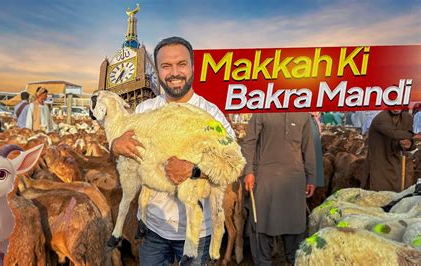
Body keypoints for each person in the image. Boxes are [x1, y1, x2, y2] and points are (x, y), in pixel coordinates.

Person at [111, 36, 235, 265]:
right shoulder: (145, 109)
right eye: (166, 66)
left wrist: (193, 170)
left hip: (195, 234)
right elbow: (124, 154)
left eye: (181, 64)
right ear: (157, 71)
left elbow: (230, 165)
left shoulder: (212, 115)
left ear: (193, 68)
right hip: (151, 228)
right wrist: (115, 146)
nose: (174, 72)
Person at [241, 112, 316, 265]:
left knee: (295, 225)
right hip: (264, 178)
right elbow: (249, 143)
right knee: (262, 223)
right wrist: (248, 171)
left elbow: (309, 148)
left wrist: (312, 177)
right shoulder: (262, 111)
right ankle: (263, 261)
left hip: (294, 179)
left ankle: (294, 260)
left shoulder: (304, 115)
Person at [364, 110, 415, 192]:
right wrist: (413, 135)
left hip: (397, 162)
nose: (396, 107)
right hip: (380, 162)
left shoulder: (407, 117)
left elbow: (409, 141)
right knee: (380, 194)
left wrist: (409, 143)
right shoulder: (380, 118)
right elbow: (394, 133)